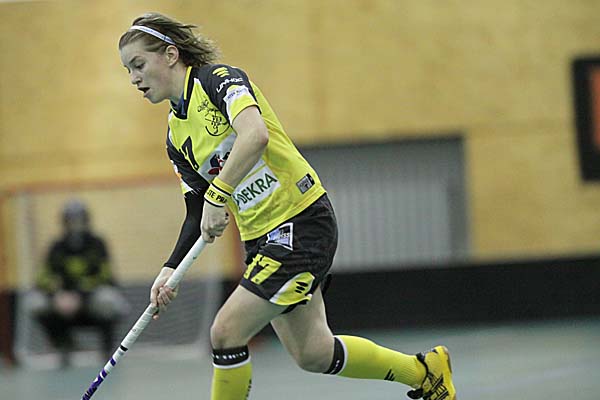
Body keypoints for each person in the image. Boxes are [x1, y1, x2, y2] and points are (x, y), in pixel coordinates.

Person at [118, 12, 456, 400]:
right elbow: (197, 212)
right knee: (313, 352)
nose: (134, 79)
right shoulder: (175, 138)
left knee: (226, 332)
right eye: (128, 71)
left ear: (170, 55)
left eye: (139, 65)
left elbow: (255, 134)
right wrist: (170, 269)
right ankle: (424, 372)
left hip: (299, 221)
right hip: (261, 239)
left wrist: (218, 193)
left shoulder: (218, 81)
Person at [28, 199, 128, 367]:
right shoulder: (56, 247)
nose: (76, 225)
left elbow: (106, 276)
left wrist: (80, 295)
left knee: (109, 300)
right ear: (64, 222)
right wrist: (56, 295)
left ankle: (107, 347)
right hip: (62, 304)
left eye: (79, 220)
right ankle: (63, 343)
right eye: (72, 221)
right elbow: (42, 278)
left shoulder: (97, 244)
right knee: (34, 303)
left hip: (91, 300)